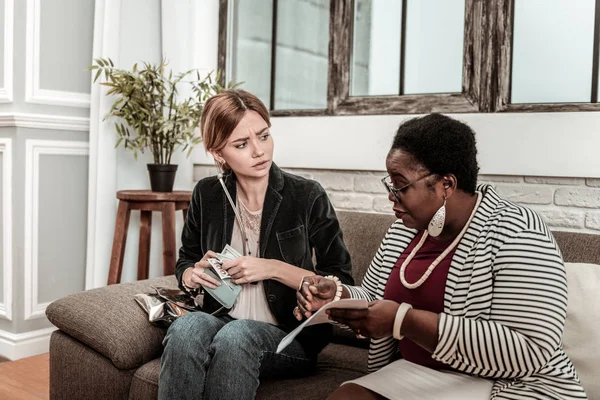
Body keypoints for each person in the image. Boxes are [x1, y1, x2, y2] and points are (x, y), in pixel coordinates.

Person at [296, 113, 587, 400]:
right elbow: (373, 297)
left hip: (508, 382)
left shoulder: (519, 231)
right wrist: (338, 296)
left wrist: (404, 320)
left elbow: (528, 351)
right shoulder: (403, 230)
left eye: (400, 185)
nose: (391, 196)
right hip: (419, 374)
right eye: (390, 184)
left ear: (446, 184)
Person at [158, 89, 353, 400]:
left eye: (264, 136)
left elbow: (341, 280)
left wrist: (271, 268)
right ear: (218, 153)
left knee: (238, 336)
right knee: (185, 328)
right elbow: (187, 258)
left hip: (290, 334)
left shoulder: (306, 195)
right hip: (221, 317)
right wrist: (190, 275)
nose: (259, 151)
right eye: (242, 144)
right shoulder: (207, 194)